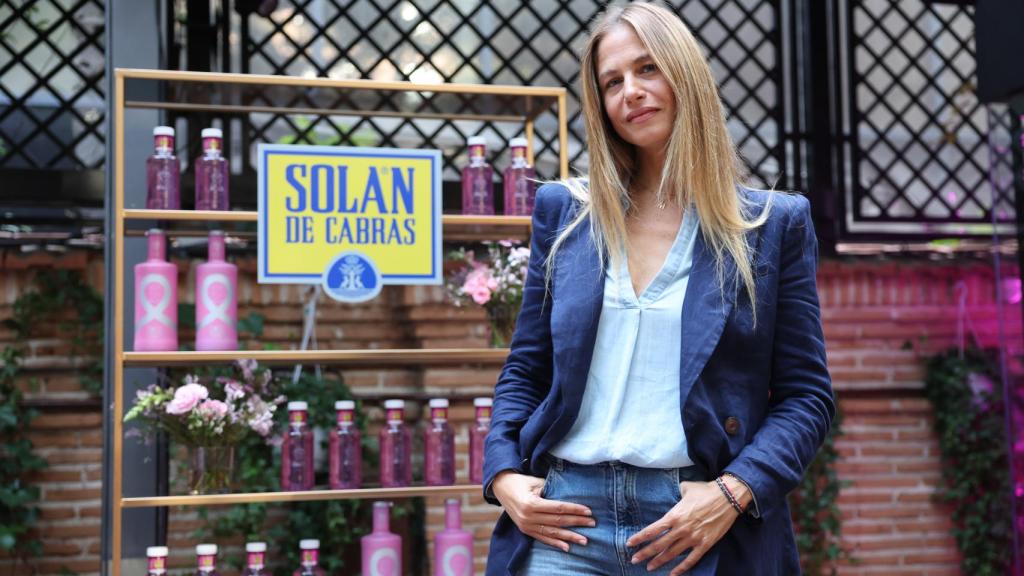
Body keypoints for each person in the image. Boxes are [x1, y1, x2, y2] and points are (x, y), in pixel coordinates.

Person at [481, 2, 835, 575]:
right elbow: (526, 368)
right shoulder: (566, 213)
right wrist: (503, 475)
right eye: (612, 82)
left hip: (692, 524)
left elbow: (806, 396)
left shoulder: (771, 226)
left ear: (685, 74)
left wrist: (735, 491)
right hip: (565, 521)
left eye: (648, 68)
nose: (631, 92)